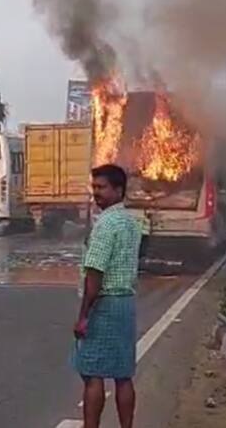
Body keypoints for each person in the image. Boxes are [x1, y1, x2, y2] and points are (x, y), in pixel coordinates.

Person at [73, 164, 142, 428]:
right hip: (125, 305)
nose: (96, 193)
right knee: (123, 375)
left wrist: (82, 317)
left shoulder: (104, 225)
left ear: (118, 190)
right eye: (94, 187)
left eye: (101, 188)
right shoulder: (131, 222)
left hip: (103, 304)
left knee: (92, 374)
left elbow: (94, 275)